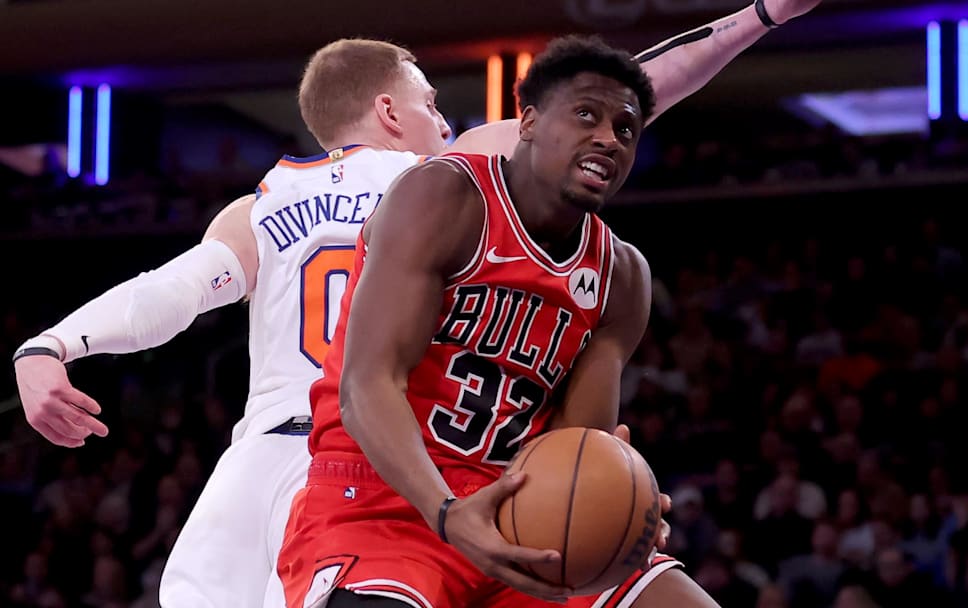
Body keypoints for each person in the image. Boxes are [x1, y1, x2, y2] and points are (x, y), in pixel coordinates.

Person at [12, 1, 820, 606]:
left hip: (272, 456)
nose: (449, 119)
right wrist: (763, 14)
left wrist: (50, 346)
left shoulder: (263, 204)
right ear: (394, 112)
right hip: (377, 459)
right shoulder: (457, 178)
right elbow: (637, 87)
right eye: (433, 103)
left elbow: (173, 294)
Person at [277, 34, 732, 608]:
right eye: (586, 115)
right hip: (382, 499)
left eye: (626, 129)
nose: (607, 138)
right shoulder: (444, 196)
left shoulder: (622, 276)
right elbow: (367, 385)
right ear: (530, 122)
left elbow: (575, 444)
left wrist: (616, 502)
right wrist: (445, 512)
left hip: (517, 507)